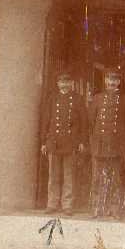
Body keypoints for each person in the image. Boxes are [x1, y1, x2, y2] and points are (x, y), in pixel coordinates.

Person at [40, 69, 88, 215]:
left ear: (71, 83)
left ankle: (67, 205)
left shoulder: (78, 99)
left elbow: (84, 122)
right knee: (53, 175)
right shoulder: (52, 98)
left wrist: (82, 141)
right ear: (57, 83)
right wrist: (44, 142)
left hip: (70, 142)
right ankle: (52, 204)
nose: (64, 84)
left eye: (67, 82)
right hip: (54, 142)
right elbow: (46, 121)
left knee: (69, 175)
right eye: (62, 82)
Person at [88, 67, 125, 218]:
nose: (111, 82)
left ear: (118, 82)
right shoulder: (97, 98)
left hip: (116, 145)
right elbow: (91, 122)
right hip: (100, 144)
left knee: (116, 178)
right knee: (97, 178)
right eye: (109, 79)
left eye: (115, 80)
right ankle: (97, 207)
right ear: (105, 81)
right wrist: (93, 143)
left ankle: (115, 208)